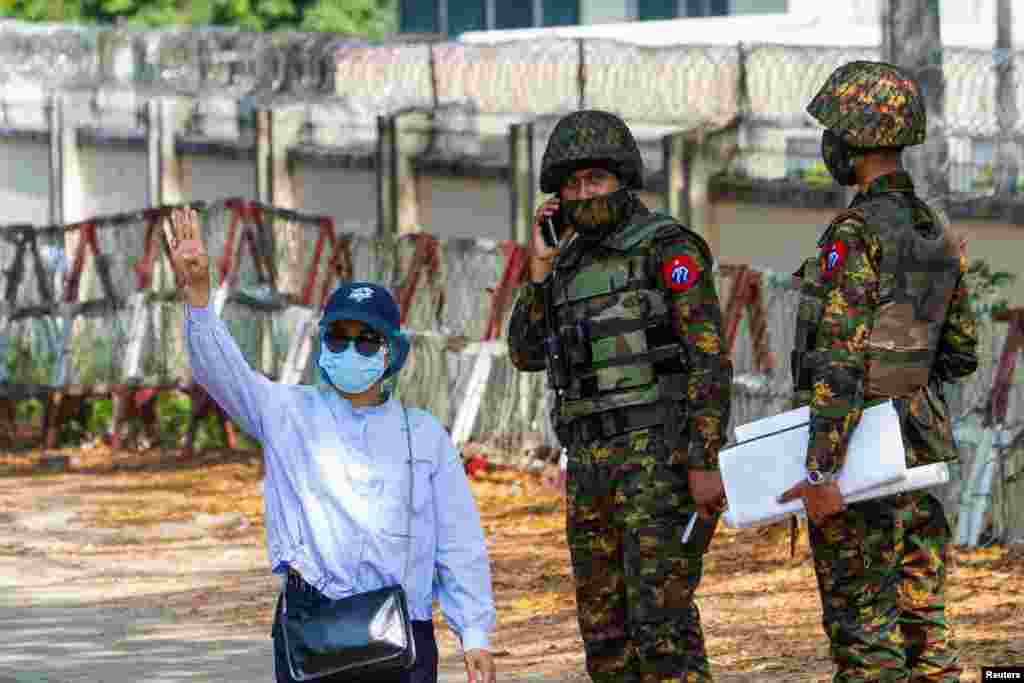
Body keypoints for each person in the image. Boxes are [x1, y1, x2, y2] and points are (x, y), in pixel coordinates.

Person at [166, 207, 498, 683]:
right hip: (313, 628)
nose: (351, 350)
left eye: (367, 341)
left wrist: (475, 634)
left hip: (402, 635)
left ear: (390, 353)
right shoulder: (287, 412)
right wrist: (198, 297)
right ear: (323, 345)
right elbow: (223, 373)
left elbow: (458, 542)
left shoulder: (424, 435)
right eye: (339, 338)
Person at [506, 109, 733, 683]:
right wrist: (538, 268)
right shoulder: (563, 264)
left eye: (597, 180)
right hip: (588, 467)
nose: (585, 194)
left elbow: (709, 359)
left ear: (622, 179)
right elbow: (525, 352)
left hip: (658, 460)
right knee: (605, 634)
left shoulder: (667, 248)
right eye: (573, 184)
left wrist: (705, 461)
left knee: (664, 629)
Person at [778, 61, 978, 682]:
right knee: (923, 622)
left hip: (860, 448)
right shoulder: (935, 229)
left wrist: (820, 472)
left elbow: (838, 361)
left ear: (848, 142)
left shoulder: (855, 232)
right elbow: (961, 353)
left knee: (865, 632)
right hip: (919, 438)